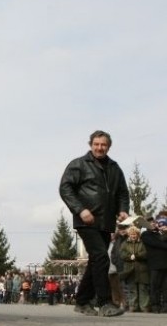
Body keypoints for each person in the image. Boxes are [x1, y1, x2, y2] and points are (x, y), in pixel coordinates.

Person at [59, 130, 130, 317]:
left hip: (106, 223)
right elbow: (65, 187)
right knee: (101, 257)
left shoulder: (115, 168)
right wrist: (80, 209)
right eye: (96, 144)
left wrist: (123, 210)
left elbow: (122, 193)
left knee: (95, 262)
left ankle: (82, 301)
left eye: (103, 144)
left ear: (109, 146)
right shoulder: (79, 165)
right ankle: (105, 303)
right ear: (91, 145)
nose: (100, 147)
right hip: (86, 221)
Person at [119, 225, 150, 312]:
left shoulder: (142, 243)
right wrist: (129, 257)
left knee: (143, 289)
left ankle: (144, 307)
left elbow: (145, 253)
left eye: (135, 234)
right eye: (131, 234)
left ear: (138, 235)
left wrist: (136, 256)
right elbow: (122, 254)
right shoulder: (124, 244)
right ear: (129, 235)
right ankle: (133, 307)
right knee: (132, 289)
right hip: (129, 270)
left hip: (142, 270)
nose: (133, 236)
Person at [141, 215, 167, 314]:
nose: (153, 224)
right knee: (154, 286)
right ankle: (155, 306)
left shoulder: (161, 234)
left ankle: (165, 306)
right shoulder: (146, 235)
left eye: (154, 222)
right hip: (154, 265)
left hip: (165, 264)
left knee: (166, 287)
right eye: (150, 222)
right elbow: (158, 243)